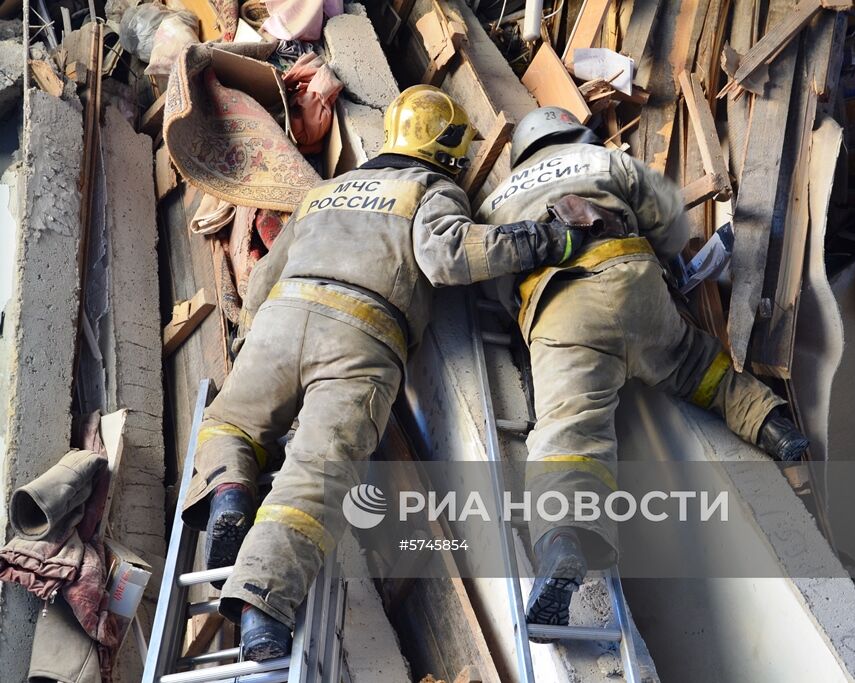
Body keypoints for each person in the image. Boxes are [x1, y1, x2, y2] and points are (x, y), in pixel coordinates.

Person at [180, 86, 589, 661]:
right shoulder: (430, 189)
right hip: (361, 337)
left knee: (230, 423)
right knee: (314, 478)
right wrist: (552, 238)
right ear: (445, 148)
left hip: (279, 320)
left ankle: (229, 491)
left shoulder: (323, 193)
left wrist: (255, 340)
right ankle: (260, 608)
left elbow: (262, 280)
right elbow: (449, 257)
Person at [475, 106, 809, 638]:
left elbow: (492, 278)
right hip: (633, 278)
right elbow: (670, 219)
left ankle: (562, 543)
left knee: (569, 433)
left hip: (560, 307)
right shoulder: (604, 160)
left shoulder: (494, 201)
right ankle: (775, 426)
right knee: (699, 368)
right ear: (572, 132)